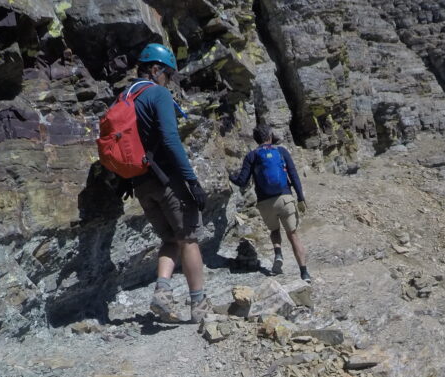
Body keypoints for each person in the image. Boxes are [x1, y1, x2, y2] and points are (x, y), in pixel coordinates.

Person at [125, 43, 210, 322]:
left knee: (170, 239)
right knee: (188, 238)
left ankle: (162, 291)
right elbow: (171, 140)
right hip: (166, 180)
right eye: (168, 74)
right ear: (154, 69)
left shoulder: (125, 98)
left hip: (140, 184)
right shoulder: (156, 93)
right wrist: (192, 180)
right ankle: (198, 306)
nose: (169, 81)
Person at [229, 125, 310, 282]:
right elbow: (293, 175)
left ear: (256, 139)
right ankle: (304, 273)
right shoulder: (281, 152)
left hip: (265, 202)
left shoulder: (251, 156)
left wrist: (229, 176)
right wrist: (300, 198)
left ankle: (278, 253)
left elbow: (241, 181)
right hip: (285, 198)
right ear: (270, 137)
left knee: (274, 230)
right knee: (293, 235)